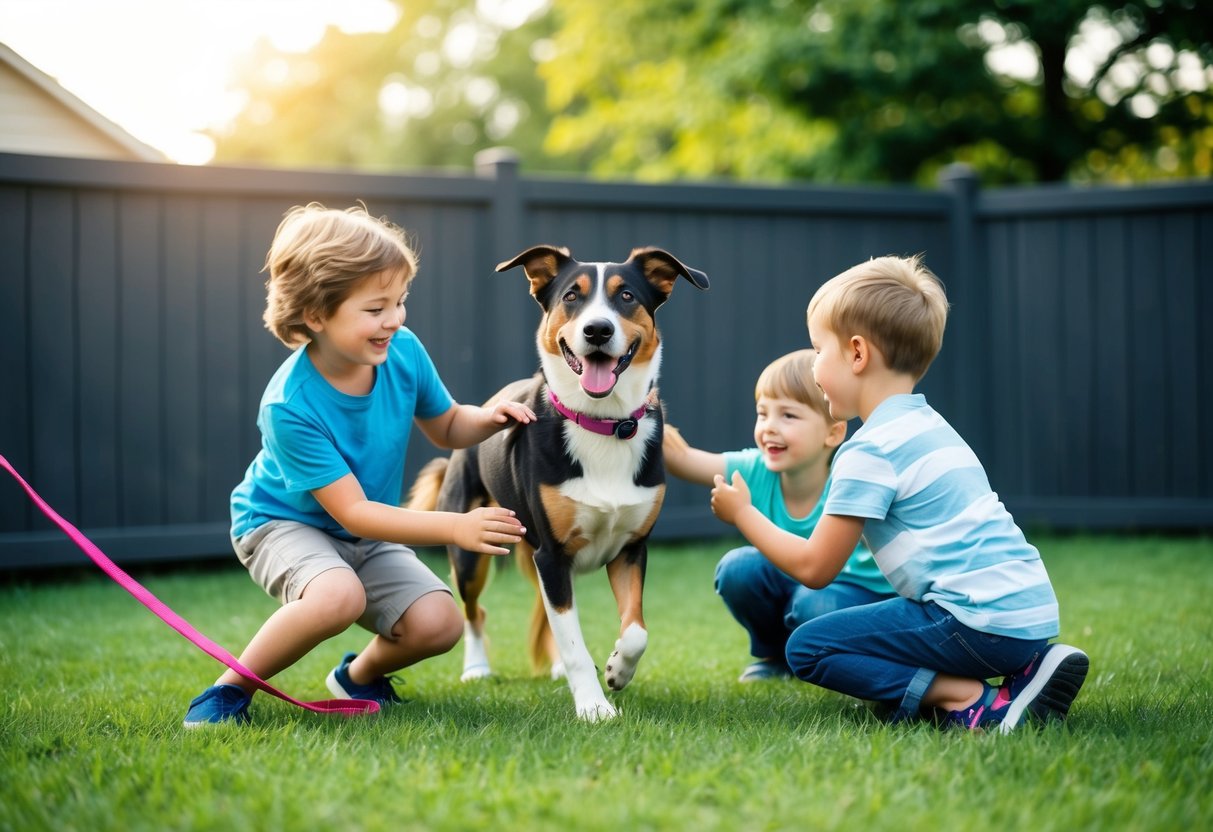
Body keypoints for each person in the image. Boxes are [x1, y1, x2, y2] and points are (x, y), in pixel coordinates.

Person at [183, 203, 535, 727]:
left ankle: (359, 678)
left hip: (363, 529)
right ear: (316, 315)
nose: (394, 319)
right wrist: (455, 524)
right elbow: (353, 513)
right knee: (336, 597)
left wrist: (487, 419)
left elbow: (446, 426)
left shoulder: (401, 351)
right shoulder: (289, 406)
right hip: (282, 523)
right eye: (376, 308)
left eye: (400, 301)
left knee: (440, 623)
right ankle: (227, 691)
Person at [709, 255, 1089, 731]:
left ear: (857, 354)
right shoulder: (932, 427)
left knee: (809, 647)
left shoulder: (869, 451)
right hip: (1025, 617)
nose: (815, 368)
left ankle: (973, 702)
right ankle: (1029, 672)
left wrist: (743, 514)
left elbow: (815, 568)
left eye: (817, 351)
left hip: (975, 623)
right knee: (865, 636)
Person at [663, 350, 896, 682]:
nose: (769, 428)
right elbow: (683, 459)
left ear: (833, 433)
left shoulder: (851, 475)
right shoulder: (756, 469)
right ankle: (775, 656)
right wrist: (638, 408)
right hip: (803, 583)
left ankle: (826, 656)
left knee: (813, 605)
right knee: (738, 569)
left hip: (860, 594)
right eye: (762, 414)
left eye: (788, 416)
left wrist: (741, 513)